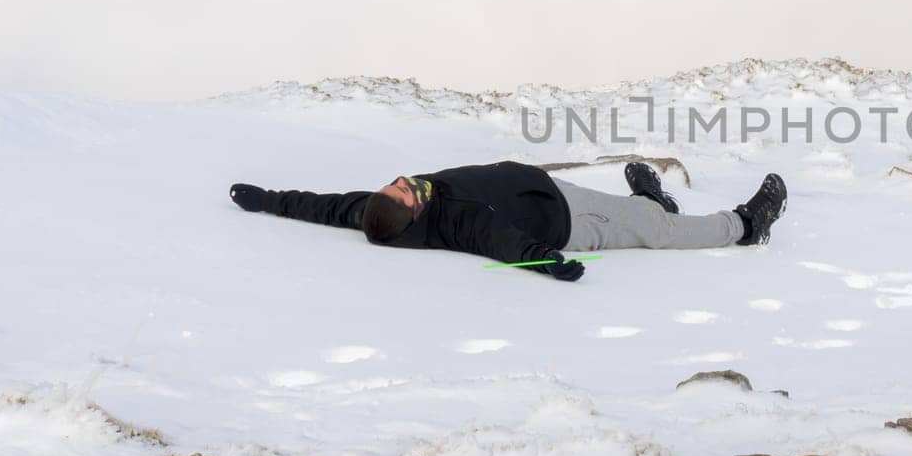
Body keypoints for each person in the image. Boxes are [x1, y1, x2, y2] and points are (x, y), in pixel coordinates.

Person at [227, 161, 786, 282]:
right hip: (571, 221)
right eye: (407, 190)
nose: (405, 180)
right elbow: (503, 242)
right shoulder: (459, 221)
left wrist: (268, 198)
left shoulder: (373, 211)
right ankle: (745, 225)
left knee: (637, 214)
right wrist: (553, 265)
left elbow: (323, 205)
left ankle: (652, 203)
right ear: (416, 213)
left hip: (546, 187)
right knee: (657, 234)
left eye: (397, 183)